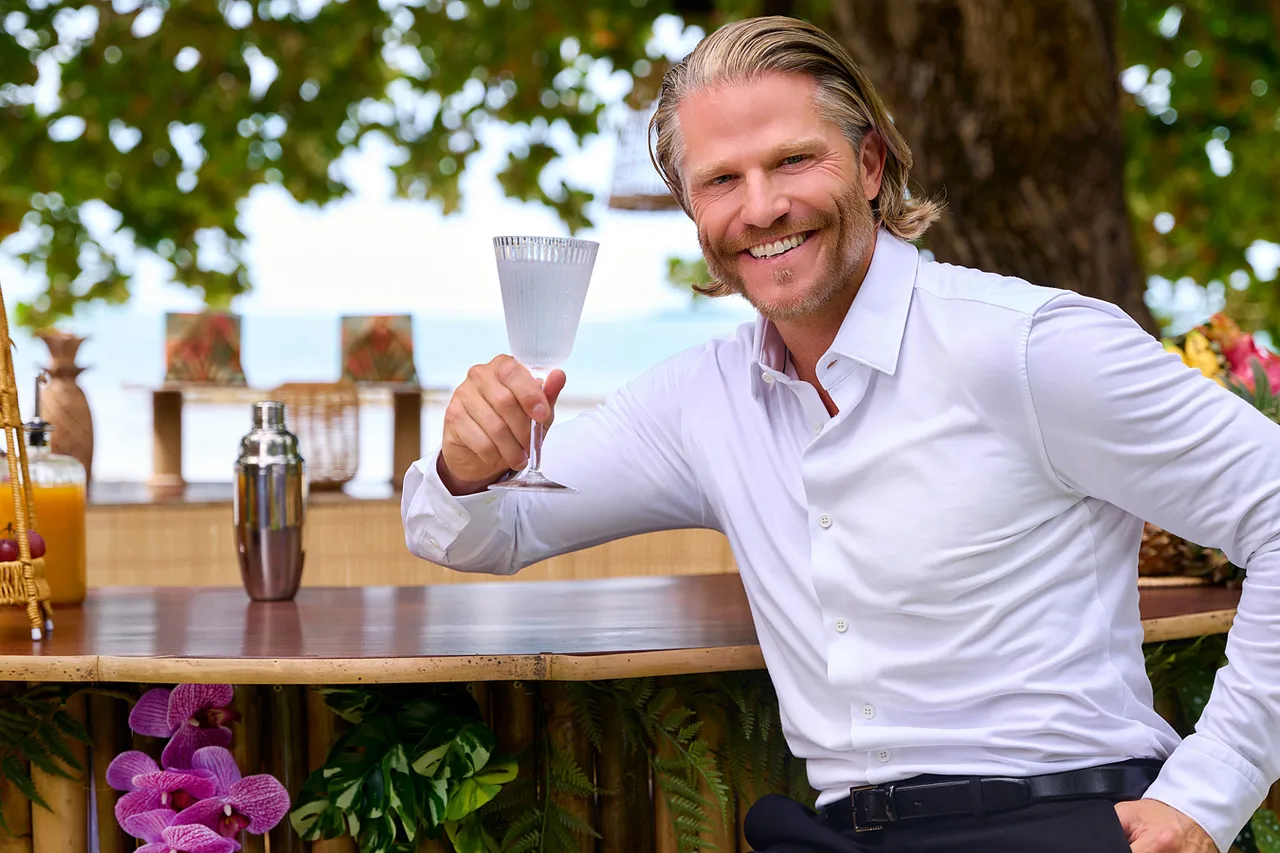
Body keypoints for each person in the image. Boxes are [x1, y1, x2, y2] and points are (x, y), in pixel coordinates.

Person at [401, 15, 1280, 853]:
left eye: (792, 161)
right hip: (838, 829)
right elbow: (480, 532)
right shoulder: (699, 401)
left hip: (1060, 815)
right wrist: (468, 463)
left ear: (869, 163)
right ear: (692, 210)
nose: (761, 207)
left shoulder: (1030, 345)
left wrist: (1209, 792)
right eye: (720, 180)